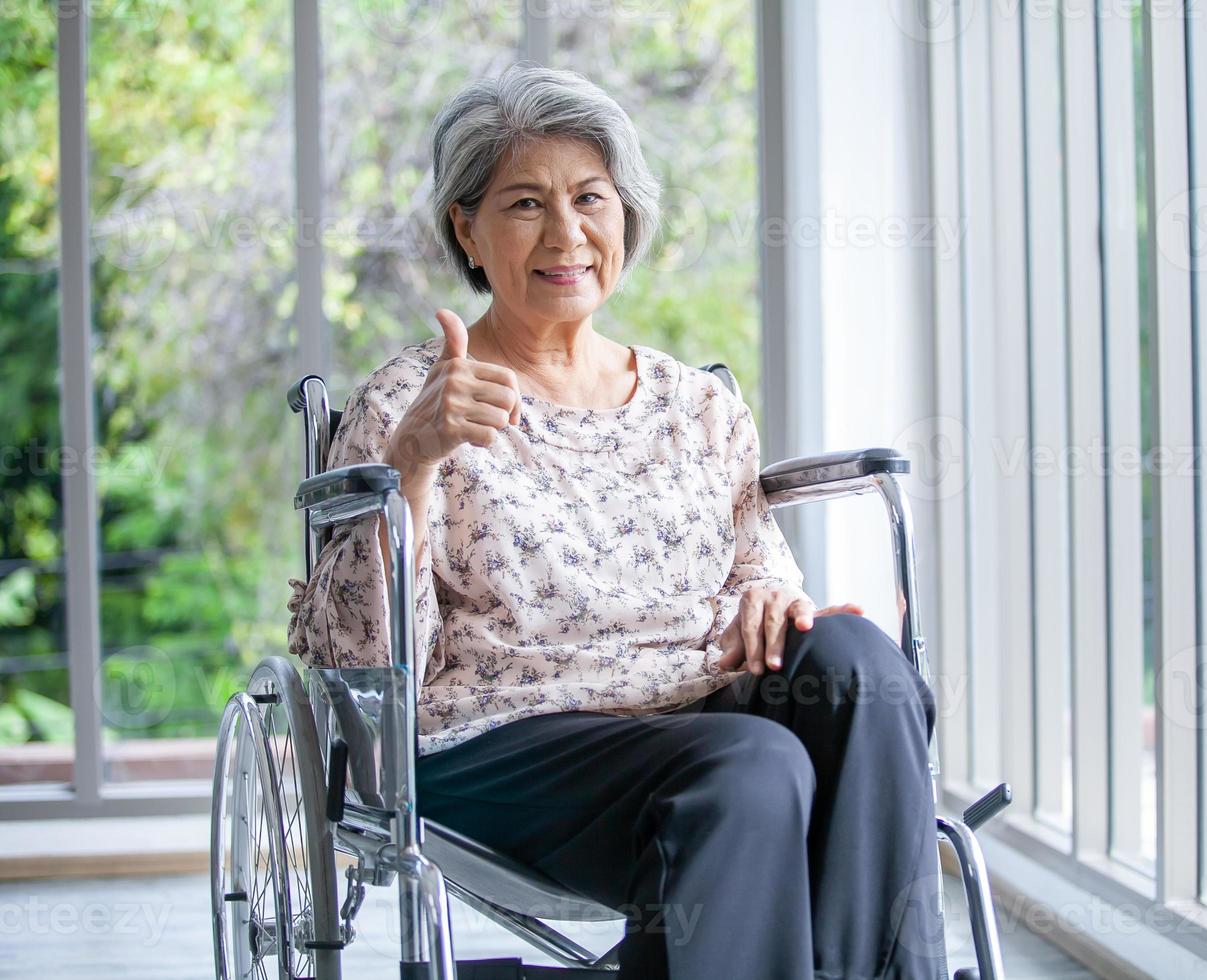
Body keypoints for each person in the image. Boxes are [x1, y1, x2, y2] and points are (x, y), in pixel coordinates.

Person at [287, 61, 943, 979]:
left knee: (858, 669)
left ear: (625, 216)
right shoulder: (415, 401)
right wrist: (412, 462)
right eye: (523, 204)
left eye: (590, 197)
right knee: (752, 768)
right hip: (503, 738)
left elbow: (761, 568)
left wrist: (768, 596)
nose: (567, 234)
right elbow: (359, 661)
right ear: (465, 230)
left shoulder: (696, 403)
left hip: (694, 705)